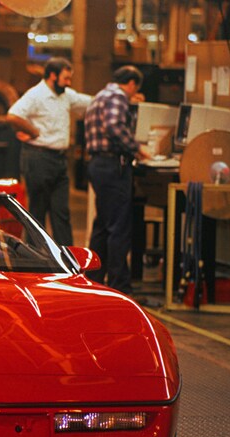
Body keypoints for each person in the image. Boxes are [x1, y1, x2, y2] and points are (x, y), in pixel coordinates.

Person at [6, 57, 92, 246]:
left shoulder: (66, 95)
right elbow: (13, 115)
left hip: (59, 160)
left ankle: (67, 258)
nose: (68, 83)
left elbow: (90, 102)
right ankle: (37, 258)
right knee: (38, 212)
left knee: (61, 212)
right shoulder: (35, 95)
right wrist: (32, 131)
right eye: (66, 78)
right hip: (39, 158)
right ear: (53, 76)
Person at [84, 65, 150, 296]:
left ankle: (93, 279)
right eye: (134, 89)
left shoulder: (100, 96)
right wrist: (138, 148)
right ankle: (119, 285)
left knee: (103, 225)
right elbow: (114, 125)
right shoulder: (117, 96)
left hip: (98, 164)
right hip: (112, 166)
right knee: (118, 227)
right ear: (131, 83)